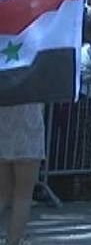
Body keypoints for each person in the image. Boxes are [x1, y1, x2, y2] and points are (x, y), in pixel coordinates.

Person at [0, 100, 45, 245]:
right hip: (29, 129)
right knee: (23, 197)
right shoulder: (34, 77)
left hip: (3, 127)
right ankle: (13, 241)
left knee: (1, 193)